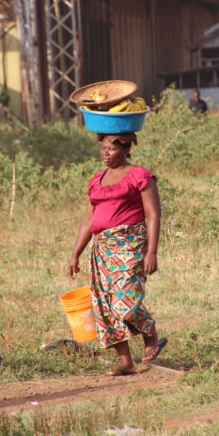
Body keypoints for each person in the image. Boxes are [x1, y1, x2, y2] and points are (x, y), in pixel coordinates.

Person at [68, 133, 167, 376]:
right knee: (104, 305)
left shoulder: (139, 176)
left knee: (125, 303)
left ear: (125, 149)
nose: (104, 153)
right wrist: (75, 254)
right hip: (101, 248)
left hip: (130, 243)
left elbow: (153, 214)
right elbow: (88, 221)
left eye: (110, 149)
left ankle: (149, 332)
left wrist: (152, 251)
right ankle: (125, 361)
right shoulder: (97, 179)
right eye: (102, 148)